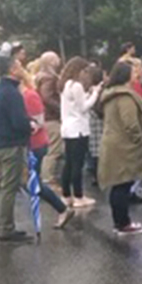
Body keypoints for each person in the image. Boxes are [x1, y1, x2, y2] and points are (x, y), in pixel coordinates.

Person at [95, 61, 142, 235]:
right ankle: (123, 223)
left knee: (118, 184)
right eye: (133, 71)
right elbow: (130, 123)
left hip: (115, 143)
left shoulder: (111, 94)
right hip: (124, 146)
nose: (137, 74)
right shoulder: (124, 96)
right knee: (122, 184)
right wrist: (140, 140)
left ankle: (120, 222)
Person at [0, 56, 39, 243]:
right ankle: (6, 228)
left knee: (1, 187)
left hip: (1, 143)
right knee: (9, 187)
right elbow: (18, 121)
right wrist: (30, 125)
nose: (22, 68)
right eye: (18, 66)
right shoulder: (12, 93)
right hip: (12, 144)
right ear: (11, 70)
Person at [21, 69, 76, 229]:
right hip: (30, 143)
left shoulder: (30, 96)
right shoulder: (26, 95)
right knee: (27, 182)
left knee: (31, 182)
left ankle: (62, 208)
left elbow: (38, 122)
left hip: (35, 144)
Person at [59, 57, 98, 208]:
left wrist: (88, 94)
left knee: (69, 163)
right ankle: (79, 196)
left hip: (68, 128)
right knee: (77, 164)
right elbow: (83, 108)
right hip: (79, 129)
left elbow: (76, 104)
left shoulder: (66, 85)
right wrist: (95, 94)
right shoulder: (77, 86)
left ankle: (66, 194)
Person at [34, 51, 64, 186]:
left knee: (51, 148)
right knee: (54, 149)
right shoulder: (50, 78)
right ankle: (48, 178)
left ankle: (46, 177)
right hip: (51, 117)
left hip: (45, 116)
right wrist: (61, 109)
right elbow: (47, 97)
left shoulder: (40, 76)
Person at [86, 64, 105, 188]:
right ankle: (98, 175)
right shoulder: (99, 90)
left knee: (92, 149)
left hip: (89, 121)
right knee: (99, 149)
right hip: (98, 121)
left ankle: (93, 172)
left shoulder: (85, 89)